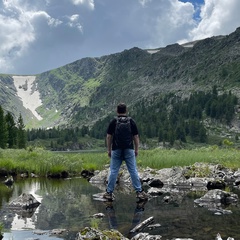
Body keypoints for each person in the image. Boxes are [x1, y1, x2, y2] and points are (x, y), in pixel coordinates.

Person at [103, 103, 148, 201]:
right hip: (129, 149)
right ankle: (139, 192)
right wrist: (136, 149)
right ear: (126, 111)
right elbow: (136, 137)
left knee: (114, 171)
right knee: (133, 170)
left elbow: (109, 136)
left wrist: (109, 149)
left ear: (117, 111)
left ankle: (109, 193)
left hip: (116, 149)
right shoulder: (131, 121)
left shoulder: (114, 121)